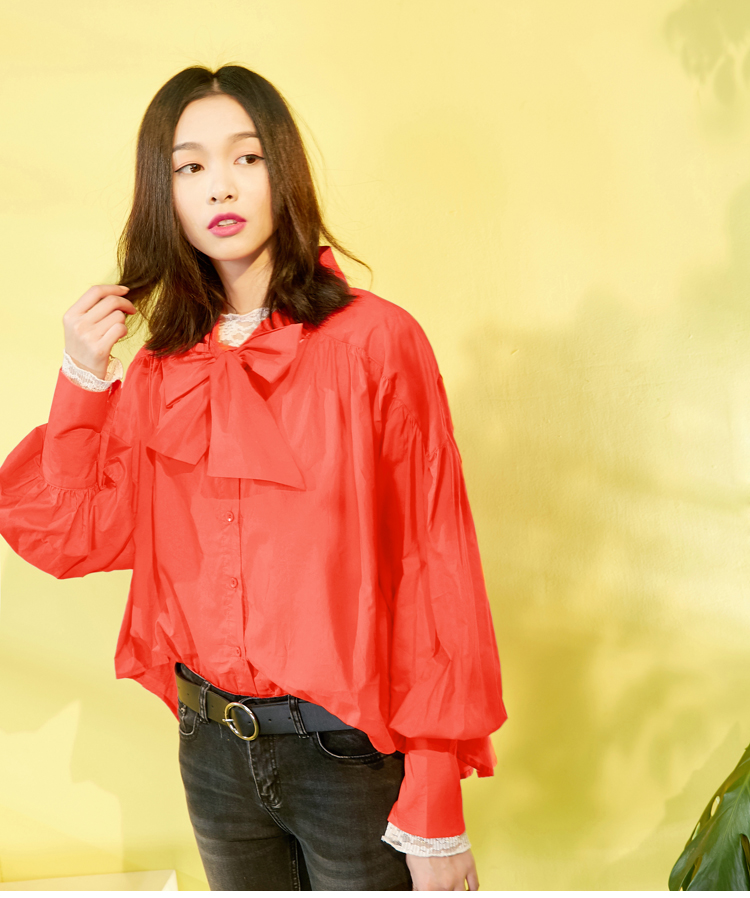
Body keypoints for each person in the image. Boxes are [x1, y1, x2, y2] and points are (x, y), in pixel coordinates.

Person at [0, 65, 507, 891]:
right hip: (211, 754)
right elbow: (70, 537)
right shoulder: (162, 370)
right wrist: (81, 378)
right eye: (190, 166)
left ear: (284, 170)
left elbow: (432, 568)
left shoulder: (375, 343)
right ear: (164, 193)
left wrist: (434, 799)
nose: (221, 186)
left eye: (247, 157)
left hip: (347, 755)